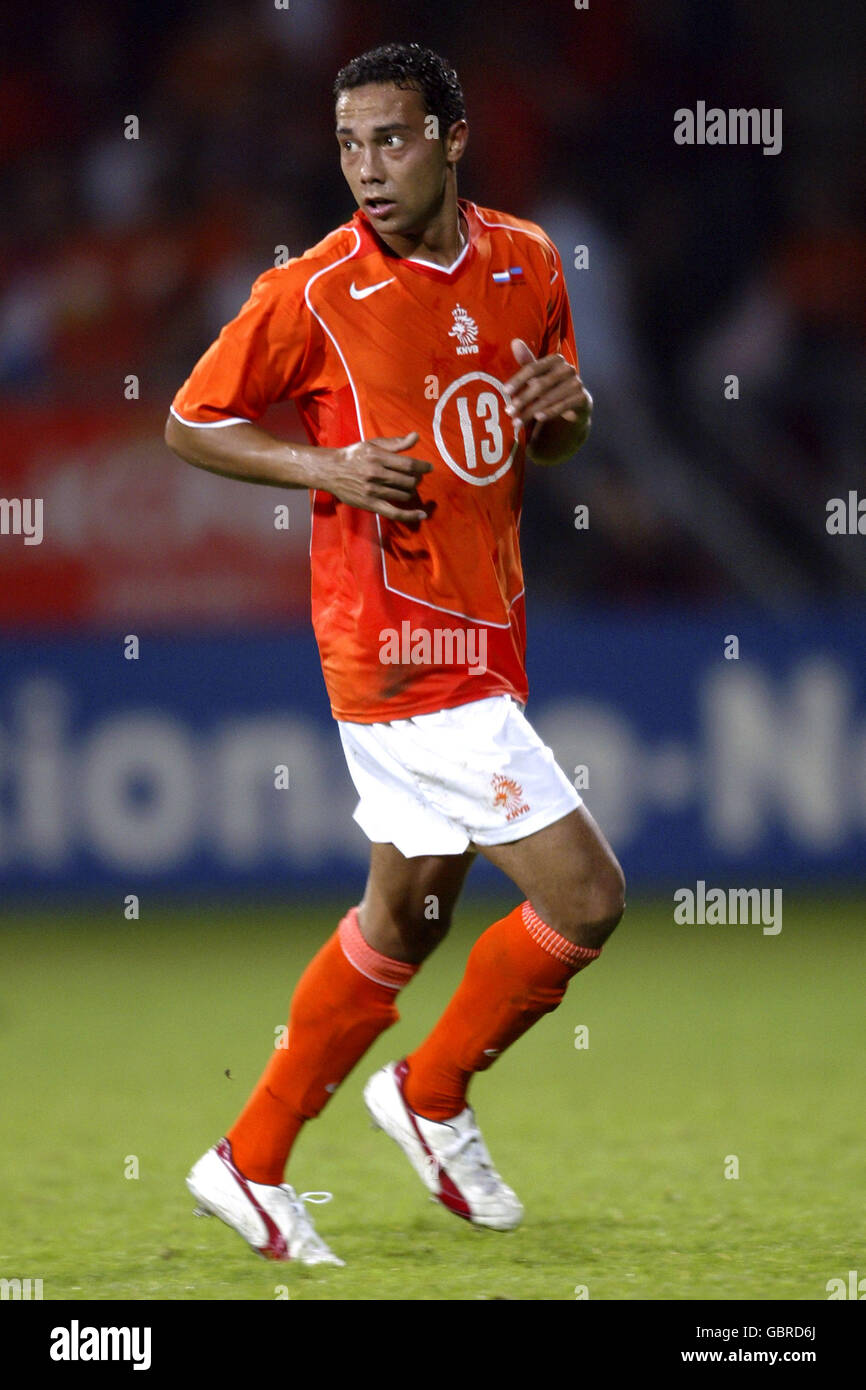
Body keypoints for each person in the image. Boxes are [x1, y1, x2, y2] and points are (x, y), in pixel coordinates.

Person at [165, 41, 625, 1267]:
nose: (366, 167)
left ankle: (249, 1158)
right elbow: (190, 420)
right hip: (398, 649)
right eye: (348, 144)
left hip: (486, 625)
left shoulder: (527, 259)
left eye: (391, 138)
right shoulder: (311, 289)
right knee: (585, 896)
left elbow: (552, 434)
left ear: (451, 139)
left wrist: (569, 415)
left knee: (406, 915)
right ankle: (428, 1091)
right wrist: (318, 463)